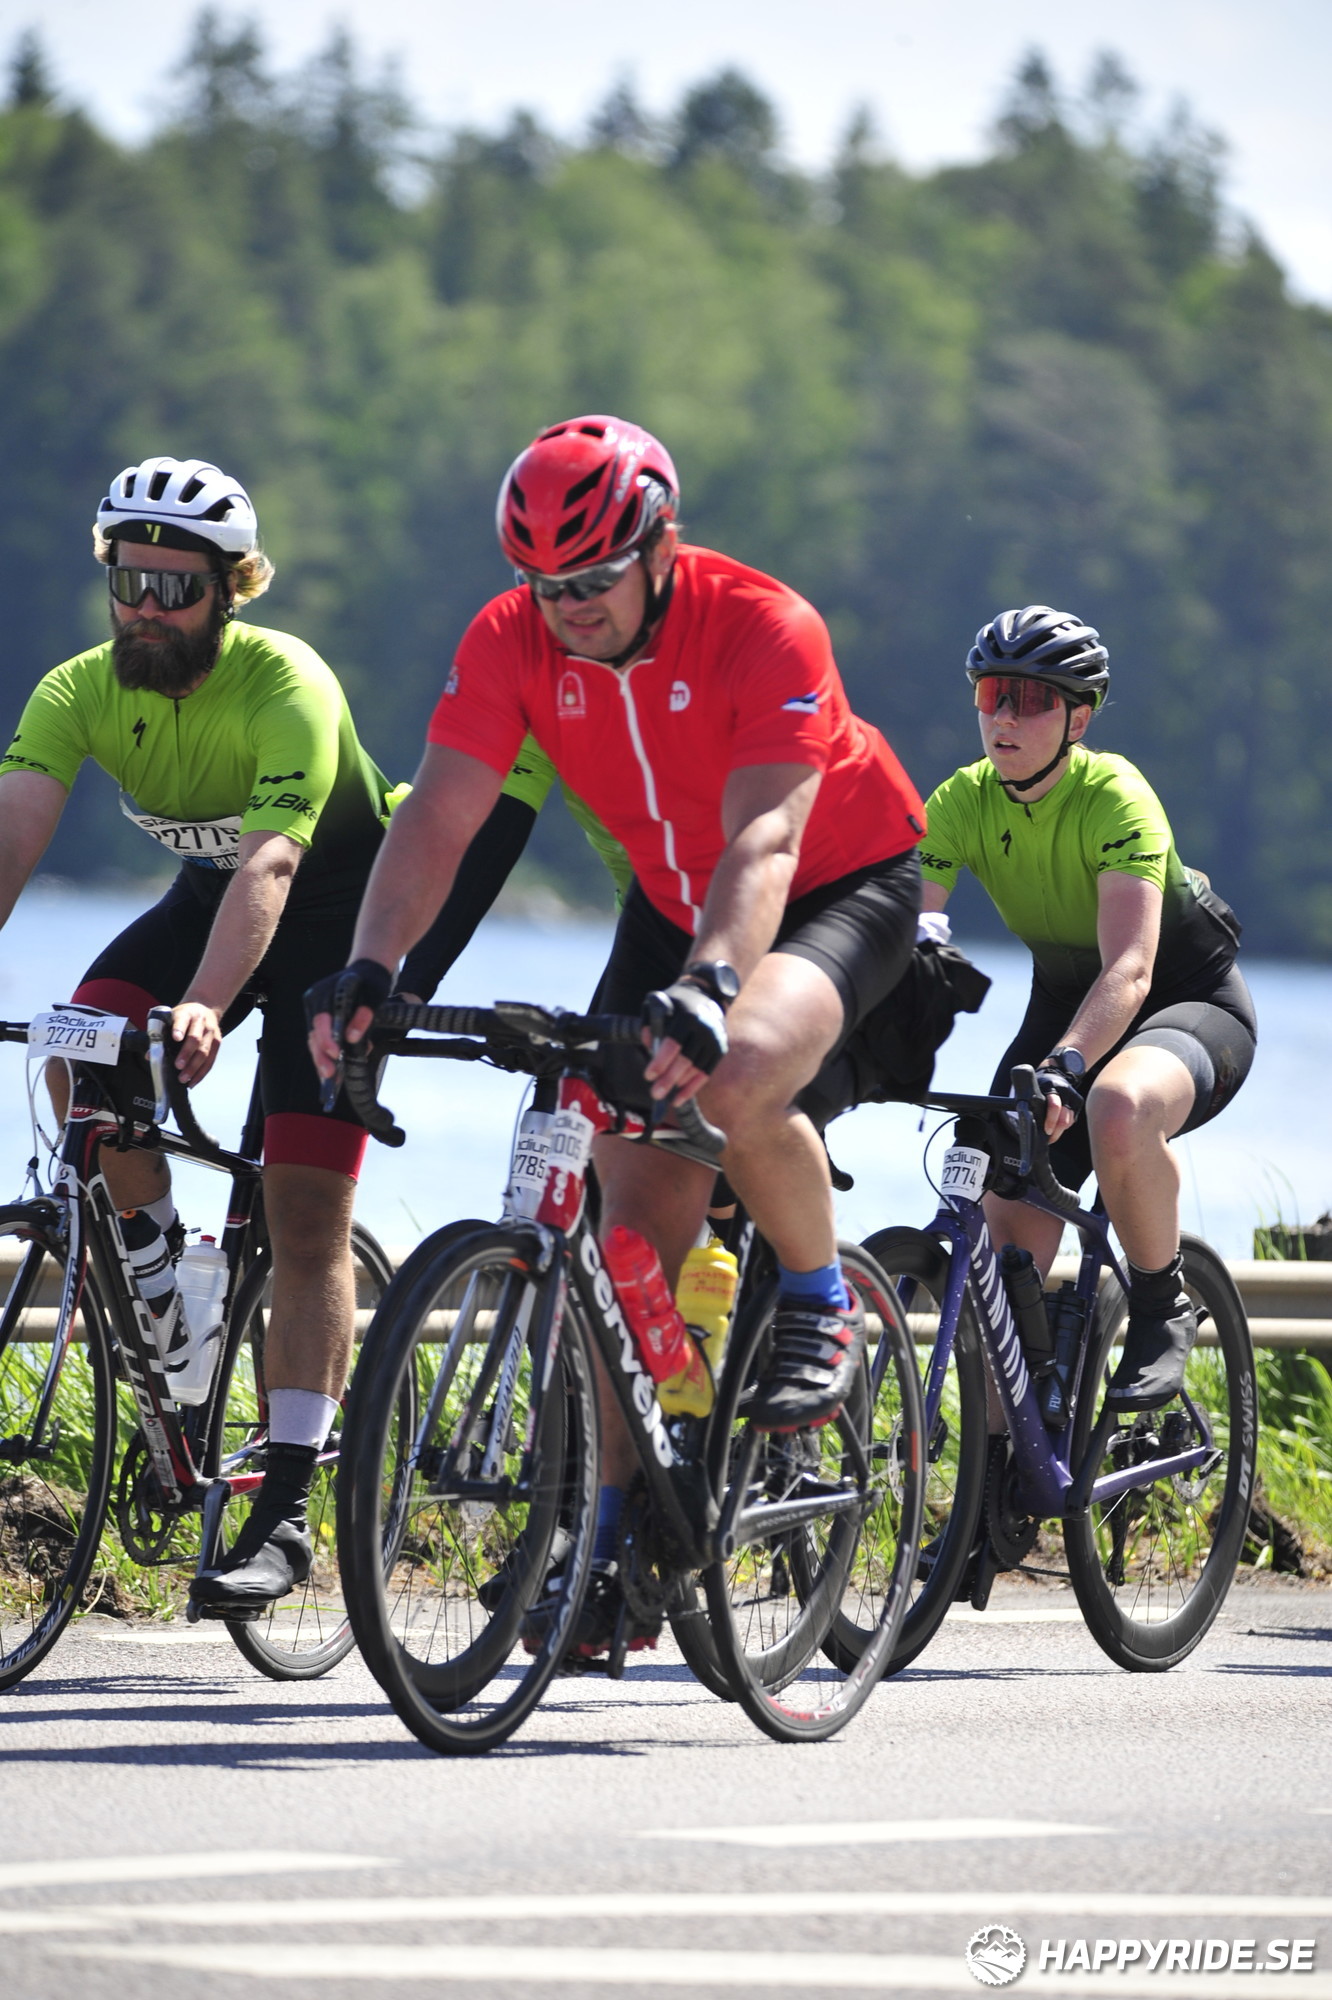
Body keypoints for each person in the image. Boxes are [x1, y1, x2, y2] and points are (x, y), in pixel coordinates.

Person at [309, 412, 927, 1654]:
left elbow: (765, 838)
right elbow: (439, 815)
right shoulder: (511, 637)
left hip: (833, 882)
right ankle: (607, 1535)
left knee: (736, 1072)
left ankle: (820, 1297)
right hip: (670, 900)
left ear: (661, 546)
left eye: (592, 577)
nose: (568, 606)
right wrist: (372, 968)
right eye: (543, 583)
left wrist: (711, 983)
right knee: (626, 1225)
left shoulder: (765, 625)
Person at [0, 455, 406, 1615]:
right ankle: (168, 1296)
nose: (146, 608)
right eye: (129, 582)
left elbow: (271, 864)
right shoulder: (78, 688)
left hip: (336, 922)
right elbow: (14, 829)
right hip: (207, 902)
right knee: (79, 1046)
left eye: (175, 589)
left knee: (306, 1207)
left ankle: (286, 1508)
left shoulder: (288, 683)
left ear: (232, 590)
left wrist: (210, 1002)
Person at [919, 603, 1256, 1409]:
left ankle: (1160, 1304)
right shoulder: (960, 802)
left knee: (1116, 1106)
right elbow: (901, 937)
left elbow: (1131, 969)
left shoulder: (1116, 796)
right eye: (993, 694)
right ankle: (1009, 1456)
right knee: (1003, 1249)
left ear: (1079, 718)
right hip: (1066, 1006)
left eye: (1032, 700)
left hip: (1182, 1003)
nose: (1005, 717)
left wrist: (1067, 1067)